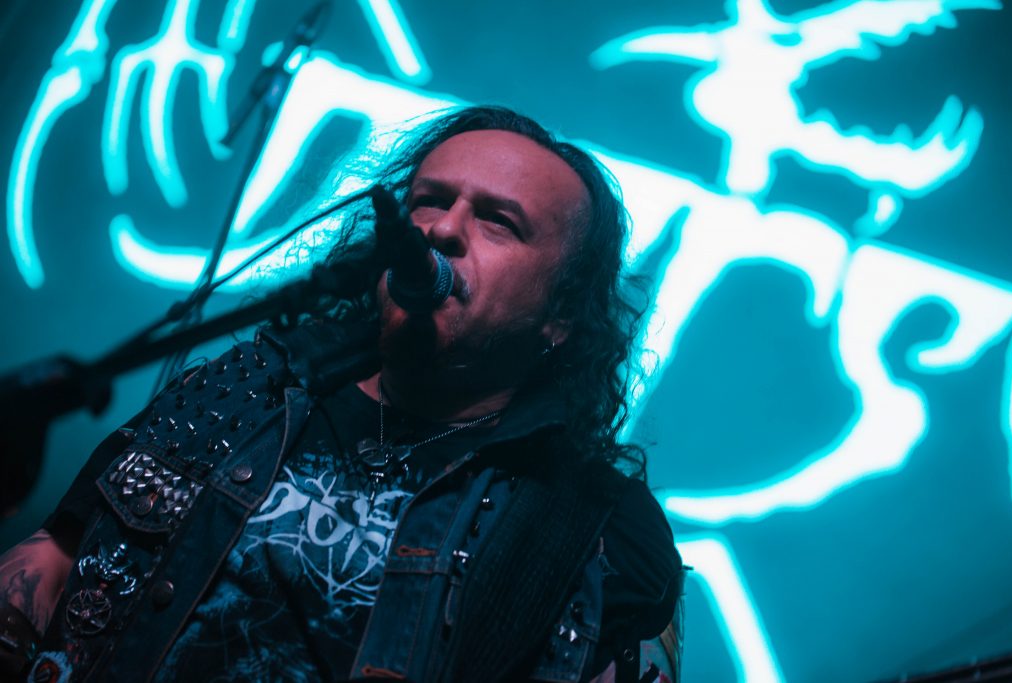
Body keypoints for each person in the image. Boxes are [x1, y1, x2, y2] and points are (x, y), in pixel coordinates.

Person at [0, 106, 684, 682]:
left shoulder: (599, 527)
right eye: (429, 201)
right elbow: (55, 556)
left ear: (562, 315)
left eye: (497, 221)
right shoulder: (255, 384)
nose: (443, 229)